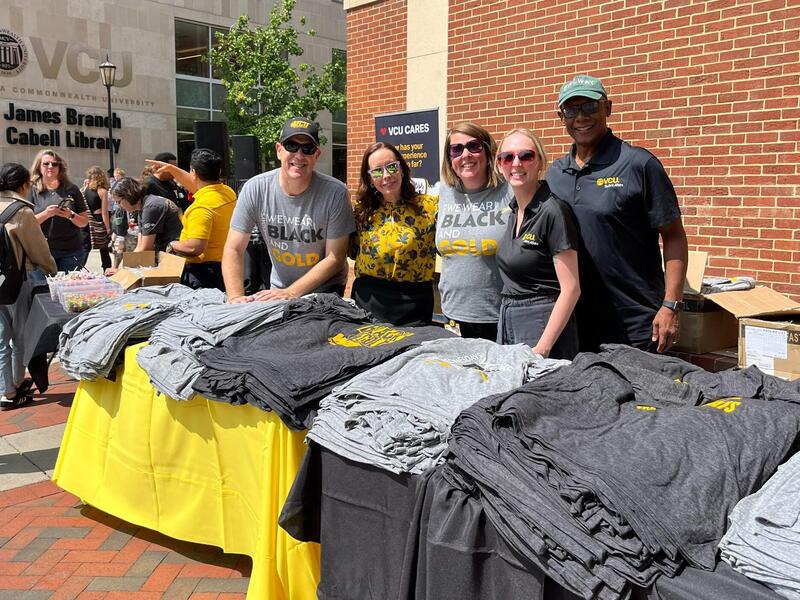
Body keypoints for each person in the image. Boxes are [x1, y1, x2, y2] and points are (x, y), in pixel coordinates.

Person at [546, 75, 688, 353]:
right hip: (574, 321)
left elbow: (674, 236)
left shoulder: (638, 164)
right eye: (572, 110)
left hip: (635, 323)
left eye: (590, 107)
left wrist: (671, 305)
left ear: (607, 108)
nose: (581, 117)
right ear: (561, 116)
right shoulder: (555, 173)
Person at [222, 116, 354, 303]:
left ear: (316, 155)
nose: (299, 155)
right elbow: (234, 248)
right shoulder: (255, 188)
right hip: (279, 290)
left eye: (307, 148)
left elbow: (335, 258)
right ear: (278, 150)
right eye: (291, 146)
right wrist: (235, 297)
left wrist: (292, 292)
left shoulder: (336, 193)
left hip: (325, 291)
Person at [494, 128, 580, 359]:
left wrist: (543, 347)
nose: (516, 163)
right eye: (507, 157)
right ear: (499, 164)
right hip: (510, 318)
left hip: (541, 324)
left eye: (526, 156)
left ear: (540, 161)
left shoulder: (553, 211)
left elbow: (571, 289)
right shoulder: (513, 211)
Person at [436, 123, 511, 340]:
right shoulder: (445, 193)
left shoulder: (509, 192)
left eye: (474, 146)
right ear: (450, 158)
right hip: (452, 316)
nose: (465, 155)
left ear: (488, 152)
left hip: (497, 316)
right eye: (456, 149)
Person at [350, 142, 438, 325]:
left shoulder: (429, 207)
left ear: (402, 169)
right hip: (369, 300)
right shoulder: (361, 211)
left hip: (415, 302)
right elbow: (352, 251)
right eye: (377, 171)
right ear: (370, 179)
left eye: (391, 167)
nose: (386, 175)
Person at [0, 163, 57, 410]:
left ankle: (6, 388)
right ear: (24, 185)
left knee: (1, 337)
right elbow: (38, 249)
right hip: (16, 280)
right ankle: (11, 388)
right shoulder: (21, 211)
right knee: (20, 334)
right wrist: (52, 271)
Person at [146, 148, 237, 290]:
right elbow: (196, 183)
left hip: (203, 274)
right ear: (218, 172)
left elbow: (194, 247)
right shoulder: (227, 192)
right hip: (225, 267)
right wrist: (172, 168)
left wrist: (172, 245)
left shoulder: (200, 208)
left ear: (193, 172)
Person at [28, 149, 90, 272]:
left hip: (71, 251)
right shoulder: (31, 190)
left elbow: (84, 222)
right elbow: (26, 223)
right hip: (41, 252)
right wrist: (46, 214)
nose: (50, 166)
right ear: (39, 167)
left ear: (60, 167)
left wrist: (70, 215)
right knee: (42, 290)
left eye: (55, 164)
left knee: (70, 289)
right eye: (46, 164)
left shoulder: (71, 189)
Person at [110, 177, 182, 253]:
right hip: (167, 251)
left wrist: (131, 260)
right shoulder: (142, 207)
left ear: (127, 195)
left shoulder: (150, 207)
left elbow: (146, 247)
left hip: (175, 254)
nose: (119, 206)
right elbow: (140, 245)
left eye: (118, 202)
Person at [82, 166, 113, 271]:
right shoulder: (102, 191)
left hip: (88, 221)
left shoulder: (85, 189)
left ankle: (79, 267)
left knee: (86, 247)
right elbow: (104, 213)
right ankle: (107, 269)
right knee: (104, 248)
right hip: (98, 219)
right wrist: (108, 228)